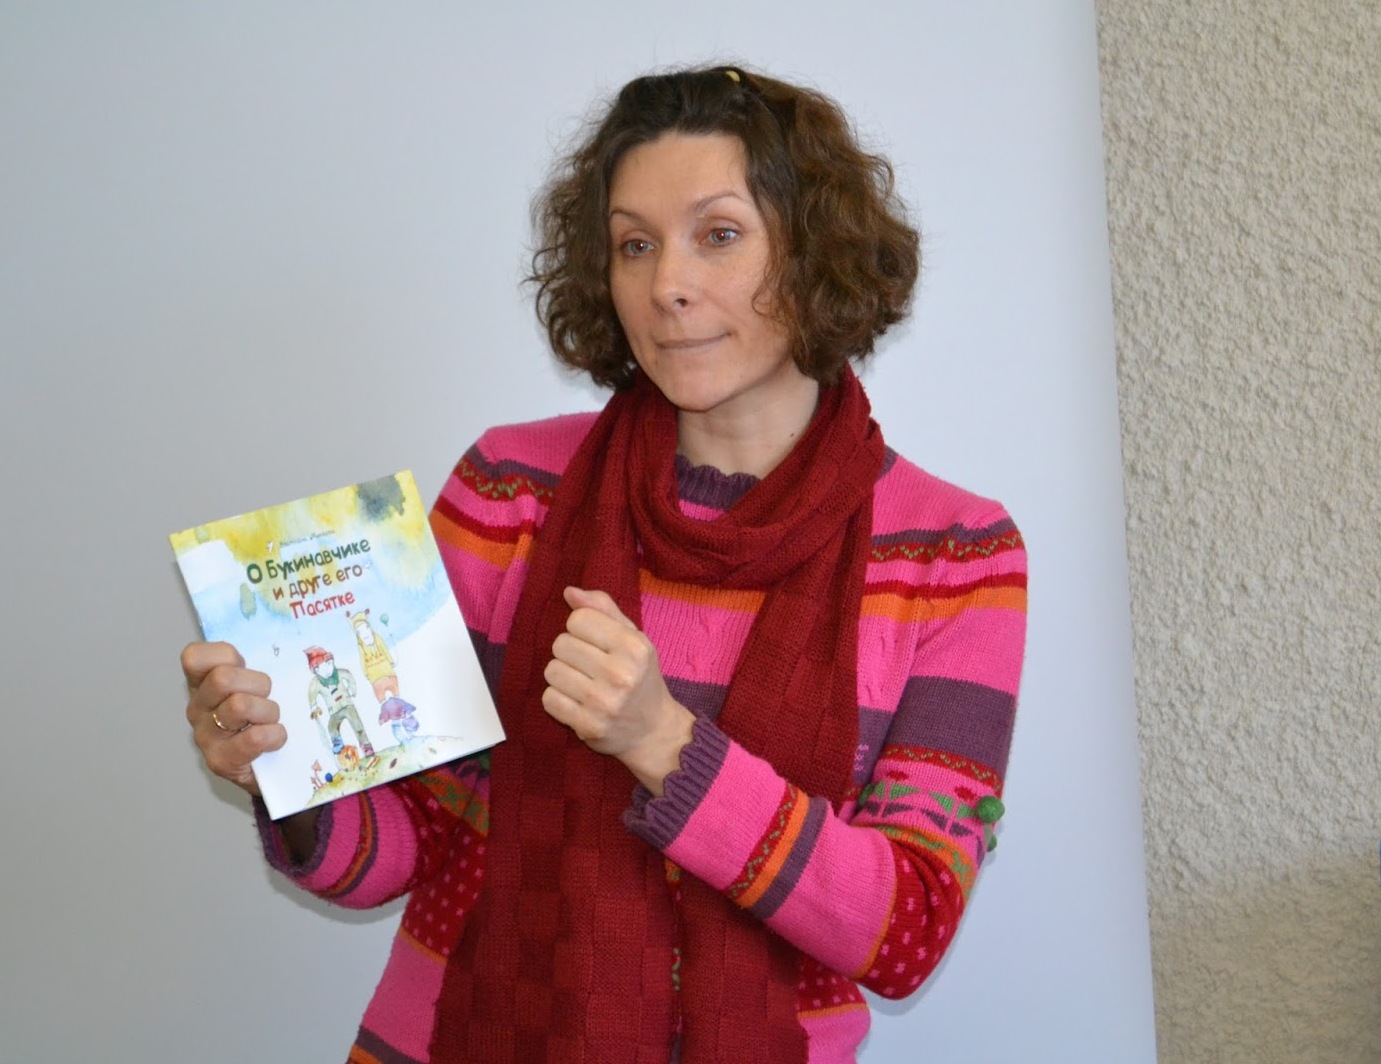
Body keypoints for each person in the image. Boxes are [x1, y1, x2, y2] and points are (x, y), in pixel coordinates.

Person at [182, 63, 1027, 1064]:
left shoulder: (955, 556)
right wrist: (286, 766)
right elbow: (404, 846)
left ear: (814, 251)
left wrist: (664, 741)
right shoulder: (508, 491)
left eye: (719, 234)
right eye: (634, 244)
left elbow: (904, 929)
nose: (667, 284)